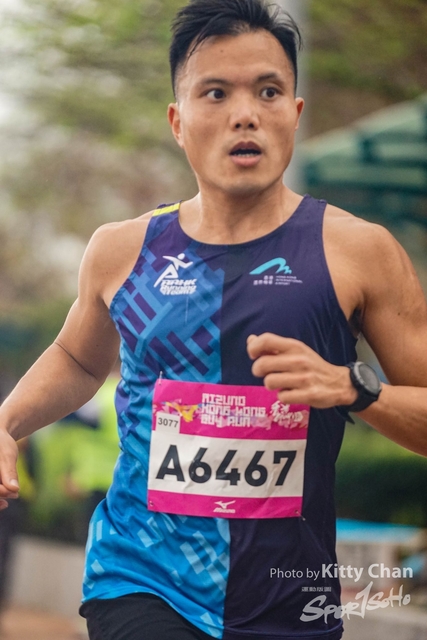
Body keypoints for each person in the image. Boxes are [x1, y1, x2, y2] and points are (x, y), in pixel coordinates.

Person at [0, 0, 426, 638]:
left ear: (295, 113)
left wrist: (353, 388)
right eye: (216, 93)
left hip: (291, 599)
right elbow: (79, 359)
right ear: (178, 121)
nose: (245, 113)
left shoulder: (358, 252)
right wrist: (6, 422)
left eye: (268, 91)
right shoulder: (124, 251)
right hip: (142, 579)